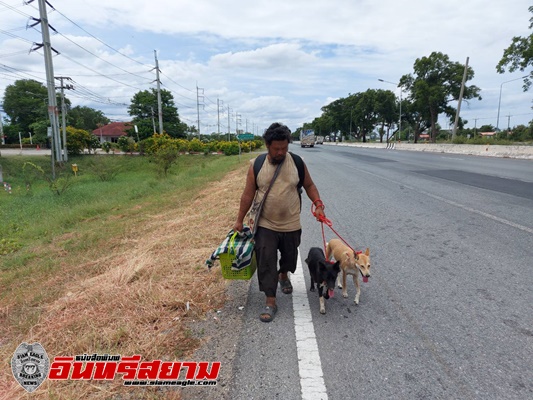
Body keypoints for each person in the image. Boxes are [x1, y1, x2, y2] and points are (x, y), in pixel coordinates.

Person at [233, 122, 325, 322]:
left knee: (290, 257)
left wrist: (318, 204)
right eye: (276, 149)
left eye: (284, 148)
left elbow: (309, 185)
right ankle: (270, 299)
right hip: (265, 223)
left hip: (291, 222)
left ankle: (284, 274)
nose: (281, 152)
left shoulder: (297, 163)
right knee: (266, 259)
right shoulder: (256, 165)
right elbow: (248, 195)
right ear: (267, 146)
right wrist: (239, 219)